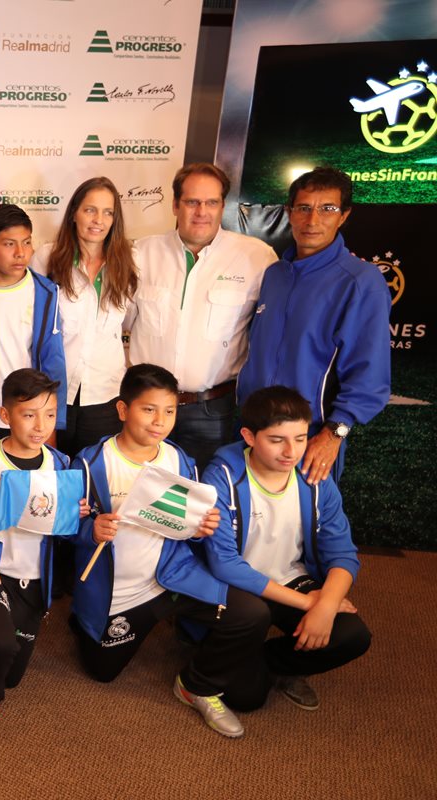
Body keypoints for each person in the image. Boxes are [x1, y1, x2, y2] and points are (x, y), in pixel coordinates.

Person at [70, 364, 270, 738]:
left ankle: (197, 684)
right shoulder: (90, 462)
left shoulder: (179, 459)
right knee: (102, 672)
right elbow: (65, 530)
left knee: (252, 614)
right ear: (122, 409)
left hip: (173, 580)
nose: (160, 421)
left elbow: (188, 529)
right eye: (148, 409)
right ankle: (85, 624)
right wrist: (88, 531)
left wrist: (200, 530)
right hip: (120, 595)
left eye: (169, 411)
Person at [202, 386, 371, 711]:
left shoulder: (315, 476)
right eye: (277, 440)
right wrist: (311, 604)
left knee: (352, 635)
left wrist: (326, 605)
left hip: (291, 579)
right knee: (244, 699)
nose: (290, 452)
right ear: (249, 437)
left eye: (300, 438)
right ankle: (233, 655)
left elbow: (343, 553)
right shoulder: (221, 477)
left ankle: (272, 663)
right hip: (241, 585)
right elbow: (224, 564)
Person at [0, 369, 86, 742]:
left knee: (12, 673)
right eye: (28, 414)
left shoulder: (61, 466)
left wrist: (83, 519)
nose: (41, 426)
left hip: (35, 581)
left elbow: (67, 536)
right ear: (6, 416)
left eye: (50, 414)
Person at [237, 167, 391, 484]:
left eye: (327, 209)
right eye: (304, 208)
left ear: (344, 215)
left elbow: (369, 374)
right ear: (289, 213)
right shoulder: (274, 273)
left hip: (307, 441)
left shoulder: (360, 281)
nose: (313, 220)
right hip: (249, 434)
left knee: (301, 530)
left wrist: (333, 434)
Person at [129, 164, 277, 467]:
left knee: (200, 499)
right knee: (137, 496)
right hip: (146, 406)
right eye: (192, 202)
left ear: (223, 205)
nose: (201, 211)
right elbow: (117, 324)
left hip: (212, 410)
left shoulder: (257, 257)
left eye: (211, 202)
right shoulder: (140, 254)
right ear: (175, 205)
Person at [33, 177, 138, 459]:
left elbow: (129, 323)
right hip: (53, 394)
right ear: (74, 213)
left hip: (105, 395)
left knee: (94, 481)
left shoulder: (129, 263)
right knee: (52, 479)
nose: (98, 220)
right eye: (90, 210)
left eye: (107, 212)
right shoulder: (47, 258)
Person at [0, 204, 66, 446]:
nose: (20, 253)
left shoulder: (45, 291)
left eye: (26, 242)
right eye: (9, 244)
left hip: (28, 419)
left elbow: (53, 360)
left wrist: (50, 425)